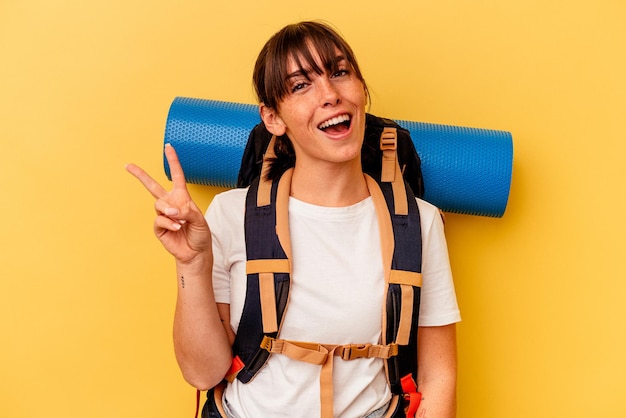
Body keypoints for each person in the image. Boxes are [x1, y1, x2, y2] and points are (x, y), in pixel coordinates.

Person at [127, 21, 460, 418]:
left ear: (362, 92)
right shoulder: (230, 214)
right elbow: (202, 373)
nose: (331, 95)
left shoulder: (418, 224)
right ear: (273, 118)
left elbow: (439, 376)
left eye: (339, 73)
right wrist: (191, 265)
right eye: (301, 85)